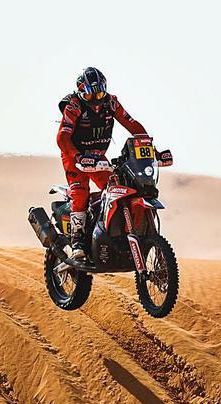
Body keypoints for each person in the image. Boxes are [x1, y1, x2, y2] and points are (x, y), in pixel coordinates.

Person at [56, 66, 148, 260]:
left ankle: (115, 233)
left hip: (98, 156)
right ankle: (78, 241)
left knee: (117, 188)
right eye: (89, 96)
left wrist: (146, 144)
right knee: (80, 192)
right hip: (74, 156)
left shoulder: (111, 103)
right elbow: (62, 137)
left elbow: (131, 124)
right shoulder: (73, 105)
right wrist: (77, 157)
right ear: (81, 93)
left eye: (99, 93)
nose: (96, 100)